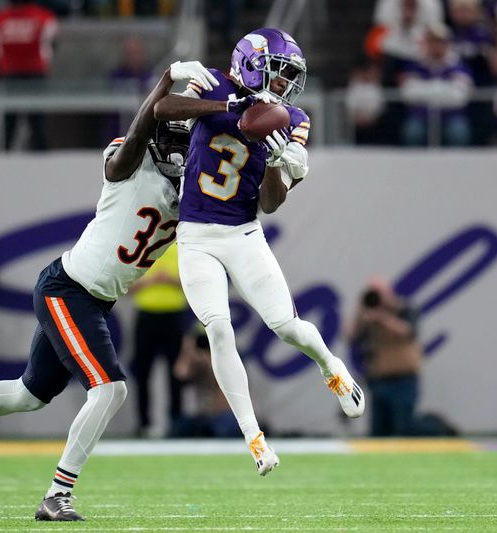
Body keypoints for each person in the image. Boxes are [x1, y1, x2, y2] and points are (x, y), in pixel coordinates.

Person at [0, 60, 218, 521]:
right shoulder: (129, 157)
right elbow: (135, 136)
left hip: (93, 299)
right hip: (68, 290)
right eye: (174, 135)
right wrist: (166, 81)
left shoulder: (190, 192)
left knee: (29, 394)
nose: (180, 148)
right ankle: (57, 494)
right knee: (111, 390)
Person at [153, 27, 365, 477]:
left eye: (291, 77)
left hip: (243, 233)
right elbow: (163, 108)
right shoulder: (213, 82)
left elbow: (270, 203)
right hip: (196, 234)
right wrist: (229, 107)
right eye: (280, 73)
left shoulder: (294, 118)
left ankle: (331, 366)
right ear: (251, 64)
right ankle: (253, 437)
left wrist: (273, 159)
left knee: (286, 325)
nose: (286, 86)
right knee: (217, 328)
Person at [347, 278, 455, 437]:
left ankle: (439, 428)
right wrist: (360, 310)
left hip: (403, 379)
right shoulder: (367, 316)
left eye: (378, 293)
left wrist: (382, 317)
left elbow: (408, 332)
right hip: (379, 379)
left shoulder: (404, 309)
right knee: (379, 432)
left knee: (404, 427)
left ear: (388, 293)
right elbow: (350, 336)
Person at [127, 244, 187, 437]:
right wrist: (149, 281)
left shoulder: (182, 245)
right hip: (146, 316)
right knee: (142, 373)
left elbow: (194, 282)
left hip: (174, 315)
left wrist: (171, 281)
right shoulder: (140, 247)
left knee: (177, 373)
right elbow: (124, 286)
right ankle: (144, 424)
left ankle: (176, 423)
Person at [0, 0, 57, 150]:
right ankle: (41, 156)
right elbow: (50, 45)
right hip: (34, 74)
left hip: (9, 74)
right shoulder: (43, 17)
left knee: (10, 122)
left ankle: (4, 155)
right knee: (36, 120)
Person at [399, 24, 473, 146]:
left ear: (447, 44)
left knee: (458, 132)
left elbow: (460, 96)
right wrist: (441, 88)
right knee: (413, 131)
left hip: (451, 116)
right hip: (421, 116)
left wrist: (426, 89)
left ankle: (457, 164)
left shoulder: (458, 66)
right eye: (432, 42)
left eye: (440, 42)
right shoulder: (416, 65)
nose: (436, 46)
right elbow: (408, 93)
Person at [168, 322, 240, 439]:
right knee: (178, 427)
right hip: (203, 415)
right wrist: (187, 350)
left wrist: (210, 360)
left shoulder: (231, 358)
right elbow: (180, 374)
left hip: (224, 414)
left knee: (224, 426)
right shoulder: (196, 361)